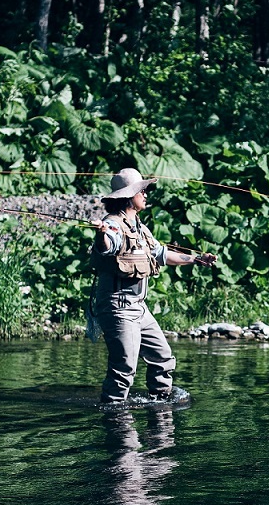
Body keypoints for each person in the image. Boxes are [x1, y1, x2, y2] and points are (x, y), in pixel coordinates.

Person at [91, 168, 216, 405]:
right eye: (142, 190)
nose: (146, 194)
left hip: (138, 307)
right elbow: (108, 246)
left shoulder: (138, 226)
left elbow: (161, 253)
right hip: (118, 308)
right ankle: (113, 413)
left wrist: (196, 259)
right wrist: (101, 234)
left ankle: (160, 404)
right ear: (129, 196)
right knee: (124, 367)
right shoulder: (113, 224)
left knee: (163, 358)